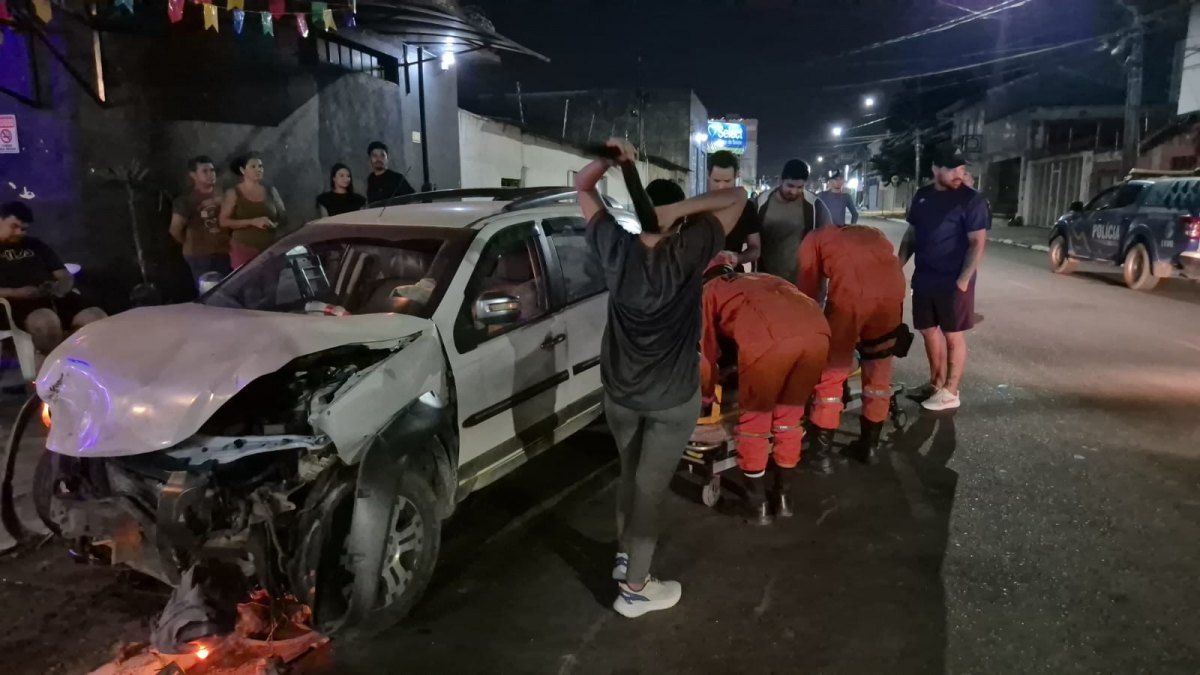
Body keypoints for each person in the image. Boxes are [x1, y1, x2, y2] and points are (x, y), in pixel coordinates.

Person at [576, 138, 746, 619]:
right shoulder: (690, 248)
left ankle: (625, 554)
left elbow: (582, 186)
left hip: (620, 394)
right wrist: (678, 212)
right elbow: (738, 197)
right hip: (671, 398)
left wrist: (610, 160)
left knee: (630, 474)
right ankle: (635, 588)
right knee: (650, 489)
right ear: (676, 215)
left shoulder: (613, 244)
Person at [700, 252, 830, 525]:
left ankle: (756, 504)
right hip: (818, 333)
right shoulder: (763, 278)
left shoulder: (709, 291)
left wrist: (707, 397)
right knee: (789, 418)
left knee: (755, 423)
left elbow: (707, 354)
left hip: (769, 340)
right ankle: (783, 498)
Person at [798, 224, 907, 470]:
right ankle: (869, 447)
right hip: (893, 292)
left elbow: (808, 293)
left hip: (851, 296)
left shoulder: (812, 240)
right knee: (878, 369)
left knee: (832, 372)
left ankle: (820, 456)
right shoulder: (869, 232)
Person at [898, 143, 989, 412]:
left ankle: (951, 390)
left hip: (953, 279)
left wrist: (963, 280)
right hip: (925, 276)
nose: (958, 174)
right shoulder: (923, 196)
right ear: (935, 168)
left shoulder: (971, 200)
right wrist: (896, 266)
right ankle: (935, 383)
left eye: (961, 168)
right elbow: (912, 235)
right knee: (927, 330)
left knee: (952, 334)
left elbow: (977, 243)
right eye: (952, 169)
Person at [0, 202, 107, 360]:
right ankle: (53, 368)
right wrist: (16, 292)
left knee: (96, 317)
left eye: (24, 229)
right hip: (15, 304)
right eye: (14, 226)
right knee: (46, 322)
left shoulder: (35, 245)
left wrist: (60, 287)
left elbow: (63, 274)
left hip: (53, 297)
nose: (19, 232)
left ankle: (89, 365)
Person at [756, 159, 832, 282]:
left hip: (802, 282)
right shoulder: (761, 203)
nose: (794, 192)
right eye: (790, 186)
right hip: (766, 280)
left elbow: (828, 242)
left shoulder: (815, 206)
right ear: (781, 180)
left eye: (800, 187)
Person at [169, 156, 230, 286]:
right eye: (204, 171)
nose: (210, 174)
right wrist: (193, 244)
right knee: (209, 291)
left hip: (224, 252)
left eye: (212, 170)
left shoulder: (224, 194)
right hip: (201, 256)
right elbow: (175, 230)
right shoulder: (186, 200)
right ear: (193, 175)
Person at [219, 152, 286, 269]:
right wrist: (252, 222)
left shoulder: (270, 190)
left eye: (260, 166)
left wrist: (275, 224)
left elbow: (283, 216)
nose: (258, 170)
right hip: (244, 249)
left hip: (270, 248)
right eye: (253, 166)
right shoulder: (233, 193)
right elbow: (223, 221)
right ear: (242, 170)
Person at [707, 151, 760, 268]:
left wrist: (738, 258)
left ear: (736, 176)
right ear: (708, 175)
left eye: (727, 181)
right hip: (700, 276)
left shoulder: (746, 207)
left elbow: (755, 249)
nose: (721, 187)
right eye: (716, 181)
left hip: (733, 274)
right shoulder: (697, 207)